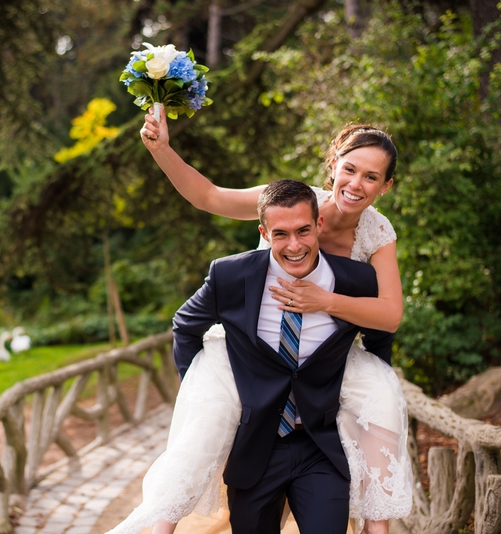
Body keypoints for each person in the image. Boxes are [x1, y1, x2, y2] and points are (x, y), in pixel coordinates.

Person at [107, 115, 411, 534]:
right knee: (209, 414)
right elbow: (209, 196)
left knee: (381, 393)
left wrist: (325, 301)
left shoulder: (377, 232)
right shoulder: (293, 203)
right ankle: (163, 523)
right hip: (256, 344)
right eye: (350, 170)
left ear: (385, 186)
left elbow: (389, 314)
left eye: (372, 177)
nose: (356, 184)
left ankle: (376, 525)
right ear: (334, 166)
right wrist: (161, 149)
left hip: (323, 348)